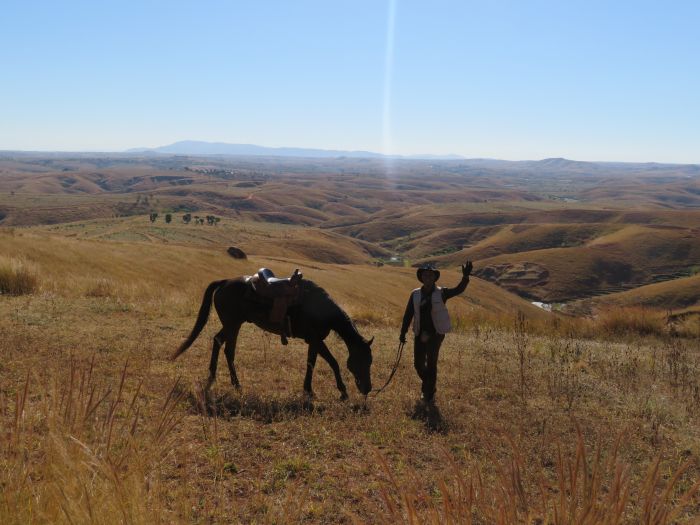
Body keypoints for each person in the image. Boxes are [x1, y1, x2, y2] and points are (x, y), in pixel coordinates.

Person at [399, 261, 473, 404]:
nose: (428, 278)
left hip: (436, 334)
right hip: (419, 333)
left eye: (431, 275)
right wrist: (403, 333)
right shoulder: (414, 294)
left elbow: (458, 290)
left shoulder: (442, 293)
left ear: (434, 278)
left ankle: (428, 394)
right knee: (418, 364)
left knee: (431, 364)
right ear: (422, 277)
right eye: (425, 275)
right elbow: (408, 314)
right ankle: (429, 386)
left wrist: (465, 277)